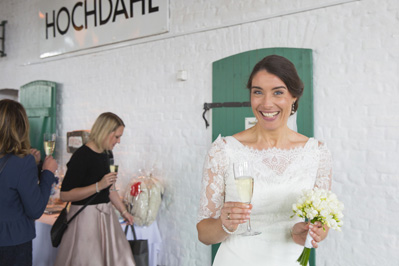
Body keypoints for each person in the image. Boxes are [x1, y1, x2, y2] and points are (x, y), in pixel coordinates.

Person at [197, 55, 333, 265]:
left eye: (278, 92)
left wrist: (304, 234)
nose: (266, 103)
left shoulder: (317, 153)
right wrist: (224, 225)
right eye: (258, 92)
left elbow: (322, 225)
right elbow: (204, 234)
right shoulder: (223, 150)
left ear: (294, 97)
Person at [54, 112, 135, 266]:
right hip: (85, 220)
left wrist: (124, 211)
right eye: (117, 136)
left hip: (106, 217)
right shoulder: (81, 156)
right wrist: (98, 186)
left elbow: (110, 188)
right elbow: (65, 195)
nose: (118, 141)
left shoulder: (107, 154)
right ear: (105, 132)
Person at [0, 99, 58, 266]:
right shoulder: (23, 162)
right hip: (13, 244)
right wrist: (47, 172)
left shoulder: (25, 162)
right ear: (21, 126)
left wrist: (37, 167)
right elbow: (35, 210)